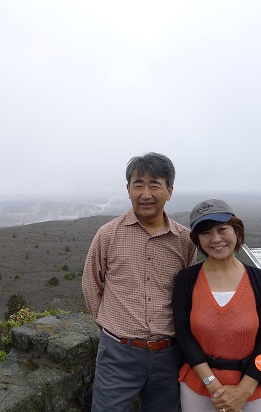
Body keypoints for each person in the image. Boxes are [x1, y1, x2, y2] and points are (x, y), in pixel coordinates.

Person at [82, 152, 196, 412]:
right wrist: (109, 325)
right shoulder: (108, 234)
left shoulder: (185, 240)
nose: (146, 194)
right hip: (118, 353)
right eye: (138, 185)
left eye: (155, 185)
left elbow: (187, 294)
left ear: (169, 191)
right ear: (128, 189)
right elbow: (91, 284)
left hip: (169, 354)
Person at [173, 199, 261, 412]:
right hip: (198, 389)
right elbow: (184, 336)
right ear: (197, 240)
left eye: (222, 229)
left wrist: (243, 391)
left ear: (237, 231)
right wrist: (213, 385)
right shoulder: (187, 280)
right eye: (205, 233)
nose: (216, 239)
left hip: (250, 391)